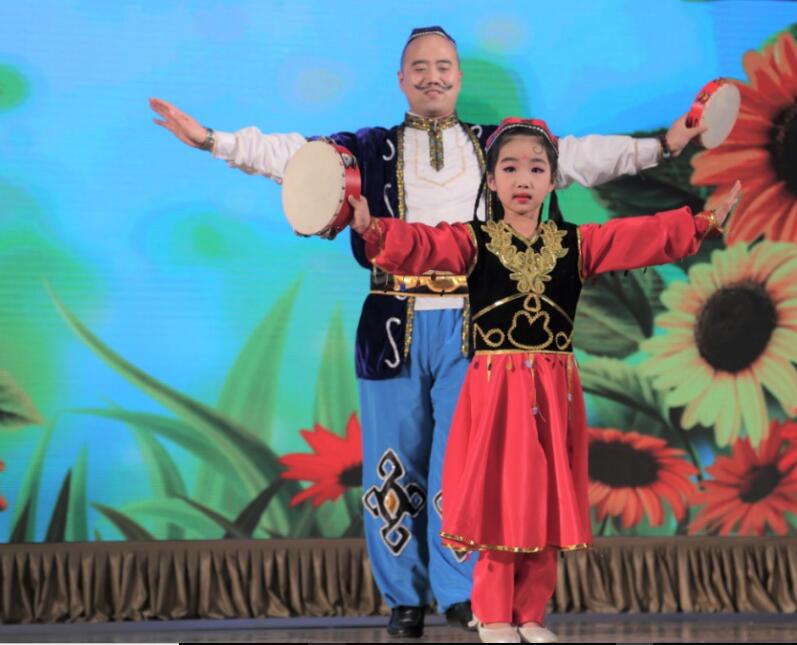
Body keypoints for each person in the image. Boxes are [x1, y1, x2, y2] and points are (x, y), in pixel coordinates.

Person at [149, 26, 709, 638]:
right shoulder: (369, 149)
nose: (432, 76)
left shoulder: (500, 147)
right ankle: (403, 597)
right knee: (392, 467)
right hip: (393, 323)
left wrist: (663, 145)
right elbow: (294, 158)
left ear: (458, 77)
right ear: (401, 79)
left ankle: (461, 594)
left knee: (465, 466)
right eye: (419, 66)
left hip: (475, 326)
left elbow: (578, 157)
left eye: (443, 65)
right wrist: (213, 140)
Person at [350, 117, 740, 643]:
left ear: (553, 180)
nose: (523, 179)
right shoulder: (475, 242)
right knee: (499, 497)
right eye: (510, 168)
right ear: (491, 181)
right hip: (496, 390)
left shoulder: (575, 244)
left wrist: (703, 222)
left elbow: (638, 237)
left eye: (536, 169)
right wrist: (374, 228)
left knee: (547, 497)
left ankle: (530, 615)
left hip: (553, 392)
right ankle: (493, 614)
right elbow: (424, 245)